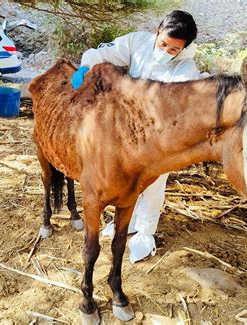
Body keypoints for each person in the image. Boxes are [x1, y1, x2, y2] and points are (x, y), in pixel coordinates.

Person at [71, 10, 201, 263]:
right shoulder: (137, 42)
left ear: (184, 48)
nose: (165, 51)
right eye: (163, 44)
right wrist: (86, 65)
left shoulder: (187, 68)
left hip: (158, 132)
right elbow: (102, 53)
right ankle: (126, 221)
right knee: (125, 178)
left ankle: (145, 233)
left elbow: (182, 104)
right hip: (126, 125)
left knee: (152, 184)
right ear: (157, 31)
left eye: (174, 50)